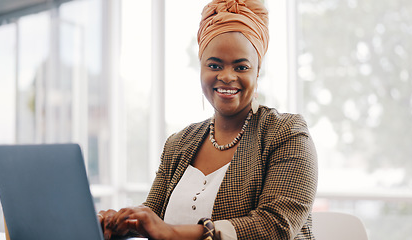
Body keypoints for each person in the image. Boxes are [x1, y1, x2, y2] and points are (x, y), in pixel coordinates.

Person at [98, 0, 318, 239]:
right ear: (201, 69)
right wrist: (120, 223)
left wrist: (171, 233)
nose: (226, 76)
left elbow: (275, 226)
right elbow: (153, 216)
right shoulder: (178, 143)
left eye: (241, 67)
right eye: (214, 65)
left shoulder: (286, 133)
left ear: (257, 71)